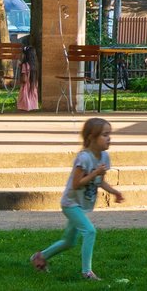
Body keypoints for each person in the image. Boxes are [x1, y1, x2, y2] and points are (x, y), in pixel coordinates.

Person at [30, 117, 124, 280]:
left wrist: (114, 192)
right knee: (89, 231)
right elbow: (76, 184)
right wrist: (94, 173)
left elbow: (99, 181)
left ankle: (40, 257)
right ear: (91, 138)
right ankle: (87, 272)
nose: (109, 138)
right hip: (71, 203)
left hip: (81, 204)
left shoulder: (104, 157)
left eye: (110, 134)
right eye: (104, 135)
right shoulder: (84, 158)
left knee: (69, 241)